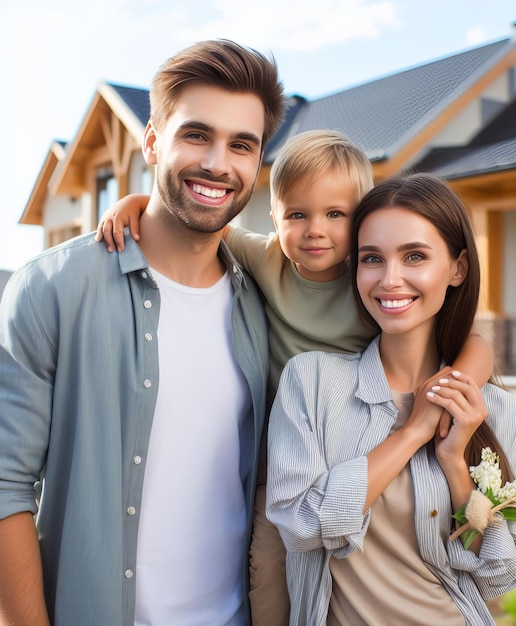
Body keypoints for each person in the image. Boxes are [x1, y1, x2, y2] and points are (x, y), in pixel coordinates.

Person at [97, 131, 495, 625]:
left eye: (336, 215)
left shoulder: (371, 280)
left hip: (359, 437)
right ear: (274, 217)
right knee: (266, 564)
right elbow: (193, 223)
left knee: (364, 559)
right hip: (282, 453)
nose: (315, 231)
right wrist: (137, 202)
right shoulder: (264, 258)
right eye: (297, 215)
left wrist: (447, 392)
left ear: (362, 220)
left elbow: (476, 344)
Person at [0, 39, 285, 626]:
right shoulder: (50, 289)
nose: (218, 163)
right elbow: (5, 486)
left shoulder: (264, 302)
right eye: (197, 135)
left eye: (241, 145)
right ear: (152, 141)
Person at [265, 172, 516, 626]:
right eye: (372, 258)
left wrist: (455, 464)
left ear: (458, 269)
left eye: (414, 256)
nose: (390, 280)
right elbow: (300, 525)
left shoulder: (500, 412)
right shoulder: (312, 382)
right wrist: (415, 431)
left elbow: (500, 576)